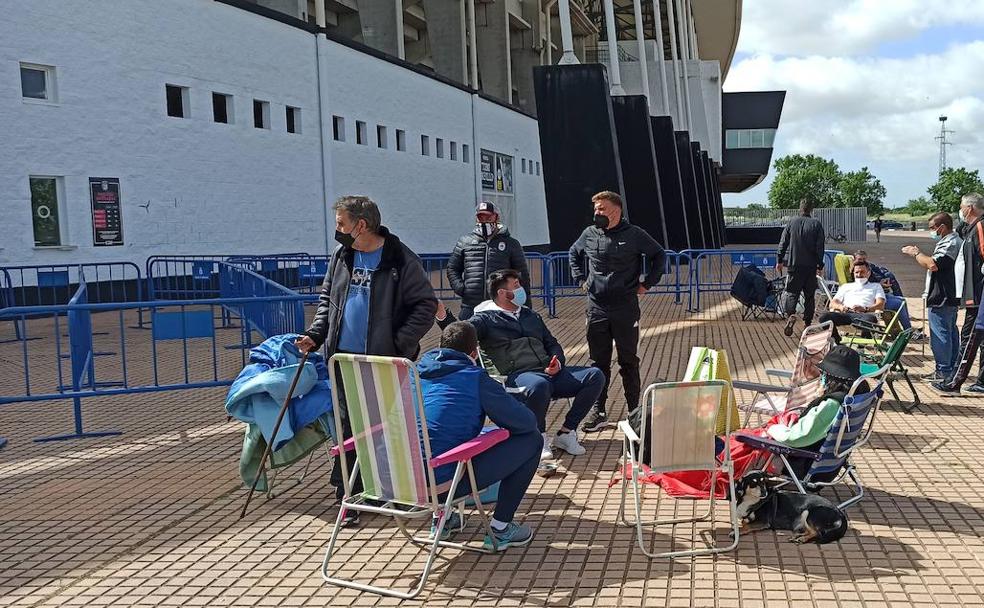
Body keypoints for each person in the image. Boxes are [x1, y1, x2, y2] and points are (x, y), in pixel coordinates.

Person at [296, 195, 438, 519]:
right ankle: (348, 493)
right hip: (344, 360)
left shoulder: (400, 258)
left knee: (384, 427)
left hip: (383, 363)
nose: (338, 231)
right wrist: (317, 335)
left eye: (342, 224)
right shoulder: (342, 256)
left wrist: (397, 344)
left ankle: (393, 491)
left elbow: (425, 306)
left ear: (361, 225)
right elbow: (327, 301)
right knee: (349, 425)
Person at [642, 345, 869, 497]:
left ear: (832, 378)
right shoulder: (850, 401)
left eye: (824, 375)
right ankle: (666, 424)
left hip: (784, 456)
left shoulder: (830, 406)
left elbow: (796, 437)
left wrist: (777, 428)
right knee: (713, 439)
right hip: (816, 462)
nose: (821, 377)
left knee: (716, 446)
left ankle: (661, 443)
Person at [436, 269, 605, 459]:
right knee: (539, 385)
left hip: (547, 372)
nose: (521, 289)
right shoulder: (485, 319)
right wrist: (443, 316)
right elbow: (460, 333)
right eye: (515, 285)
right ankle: (538, 439)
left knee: (595, 375)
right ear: (501, 293)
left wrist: (558, 362)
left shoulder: (530, 316)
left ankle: (566, 432)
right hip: (516, 377)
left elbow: (552, 343)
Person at [417, 321, 540, 548]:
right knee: (532, 441)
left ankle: (443, 519)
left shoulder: (414, 374)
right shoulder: (473, 377)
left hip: (395, 483)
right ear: (473, 353)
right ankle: (501, 528)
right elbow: (525, 423)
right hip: (442, 483)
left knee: (437, 439)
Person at [569, 191, 666, 433]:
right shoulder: (589, 234)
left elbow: (659, 256)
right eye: (595, 209)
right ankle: (598, 411)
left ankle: (635, 411)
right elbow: (573, 253)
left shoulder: (634, 235)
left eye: (601, 209)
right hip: (597, 307)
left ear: (616, 210)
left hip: (625, 307)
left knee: (628, 361)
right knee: (597, 362)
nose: (596, 213)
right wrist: (581, 279)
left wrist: (647, 284)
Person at [933, 193, 984, 395]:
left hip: (978, 295)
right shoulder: (970, 228)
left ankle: (954, 382)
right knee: (978, 338)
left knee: (970, 337)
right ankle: (980, 381)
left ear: (970, 208)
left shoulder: (980, 226)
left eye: (962, 206)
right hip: (975, 293)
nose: (960, 210)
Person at [902, 212, 962, 383]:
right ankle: (948, 368)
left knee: (941, 334)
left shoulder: (951, 243)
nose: (931, 232)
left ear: (941, 228)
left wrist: (916, 253)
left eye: (932, 228)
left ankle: (944, 370)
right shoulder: (949, 241)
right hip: (946, 294)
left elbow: (933, 264)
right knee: (949, 332)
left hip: (942, 295)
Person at [447, 201, 531, 320]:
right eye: (481, 217)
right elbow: (452, 268)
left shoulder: (511, 243)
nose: (485, 220)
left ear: (496, 217)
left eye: (488, 216)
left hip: (501, 305)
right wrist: (462, 288)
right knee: (468, 337)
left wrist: (526, 305)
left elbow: (522, 275)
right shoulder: (465, 242)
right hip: (471, 306)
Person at [777, 198, 826, 337]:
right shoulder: (816, 224)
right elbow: (819, 247)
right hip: (810, 266)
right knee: (809, 296)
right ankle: (807, 323)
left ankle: (791, 314)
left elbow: (783, 243)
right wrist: (819, 264)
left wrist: (779, 260)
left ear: (800, 208)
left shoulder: (792, 222)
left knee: (792, 292)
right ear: (811, 209)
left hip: (794, 265)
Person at [818, 260, 886, 343]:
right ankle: (837, 341)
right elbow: (833, 303)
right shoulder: (846, 286)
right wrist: (841, 307)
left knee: (869, 320)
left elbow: (880, 305)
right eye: (857, 272)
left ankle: (863, 345)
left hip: (864, 314)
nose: (859, 275)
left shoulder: (875, 286)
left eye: (862, 272)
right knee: (824, 318)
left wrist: (865, 309)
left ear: (868, 273)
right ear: (853, 273)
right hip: (846, 313)